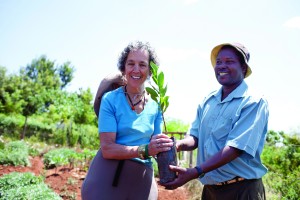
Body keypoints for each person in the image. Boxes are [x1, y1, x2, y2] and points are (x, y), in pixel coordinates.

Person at [162, 43, 269, 200]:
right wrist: (177, 145)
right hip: (211, 191)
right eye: (218, 62)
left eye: (229, 61)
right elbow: (195, 137)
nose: (222, 66)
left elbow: (235, 149)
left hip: (242, 190)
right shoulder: (208, 101)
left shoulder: (253, 102)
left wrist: (196, 171)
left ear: (244, 68)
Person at [81, 41, 174, 200]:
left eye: (142, 65)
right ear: (123, 68)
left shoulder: (155, 106)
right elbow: (108, 148)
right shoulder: (110, 99)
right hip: (108, 177)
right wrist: (144, 150)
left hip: (141, 179)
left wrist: (168, 152)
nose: (136, 69)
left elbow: (155, 146)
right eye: (131, 63)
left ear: (150, 71)